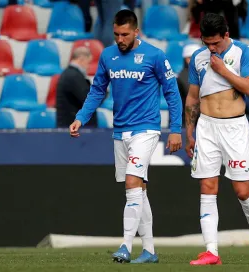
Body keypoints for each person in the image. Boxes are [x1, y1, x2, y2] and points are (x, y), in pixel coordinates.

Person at [69, 9, 183, 264]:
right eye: (116, 34)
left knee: (132, 183)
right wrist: (81, 117)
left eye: (124, 34)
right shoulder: (108, 56)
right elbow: (97, 90)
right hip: (120, 131)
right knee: (138, 190)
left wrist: (176, 129)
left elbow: (172, 93)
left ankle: (125, 246)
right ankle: (150, 250)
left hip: (146, 129)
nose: (119, 39)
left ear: (136, 32)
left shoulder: (154, 55)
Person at [185, 13, 249, 265]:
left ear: (226, 35)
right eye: (206, 43)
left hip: (234, 127)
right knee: (207, 187)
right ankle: (212, 251)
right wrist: (189, 131)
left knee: (242, 191)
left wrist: (223, 70)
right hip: (207, 127)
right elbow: (192, 97)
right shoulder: (198, 59)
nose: (210, 49)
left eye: (215, 44)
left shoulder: (244, 53)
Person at [56, 46, 96, 128]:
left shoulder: (70, 74)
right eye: (88, 63)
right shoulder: (73, 76)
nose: (88, 67)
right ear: (81, 59)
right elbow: (89, 100)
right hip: (73, 128)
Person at [177, 43, 201, 127]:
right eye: (191, 58)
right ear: (186, 59)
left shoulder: (204, 73)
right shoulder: (182, 77)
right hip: (187, 121)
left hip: (203, 120)